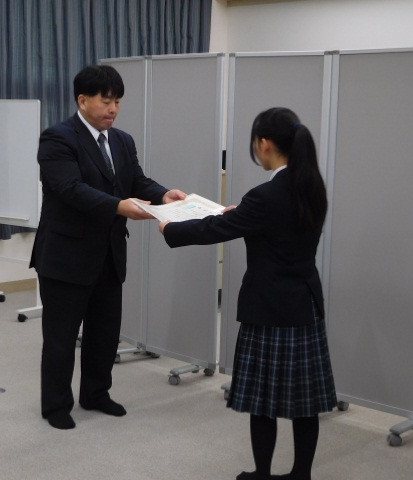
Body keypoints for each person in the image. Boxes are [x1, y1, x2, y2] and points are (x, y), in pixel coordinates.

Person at [159, 107, 337, 480]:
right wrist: (243, 215)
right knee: (305, 402)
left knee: (263, 401)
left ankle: (262, 474)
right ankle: (301, 474)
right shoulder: (312, 187)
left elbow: (214, 229)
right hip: (304, 303)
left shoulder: (265, 195)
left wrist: (169, 227)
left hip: (269, 308)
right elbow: (273, 227)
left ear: (265, 143)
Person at [30, 64, 186, 430]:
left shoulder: (122, 140)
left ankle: (96, 393)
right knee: (61, 337)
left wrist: (163, 194)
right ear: (82, 100)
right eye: (106, 101)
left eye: (117, 101)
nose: (113, 109)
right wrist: (120, 206)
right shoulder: (57, 138)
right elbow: (71, 190)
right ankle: (56, 405)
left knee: (104, 333)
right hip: (66, 256)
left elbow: (136, 181)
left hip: (109, 254)